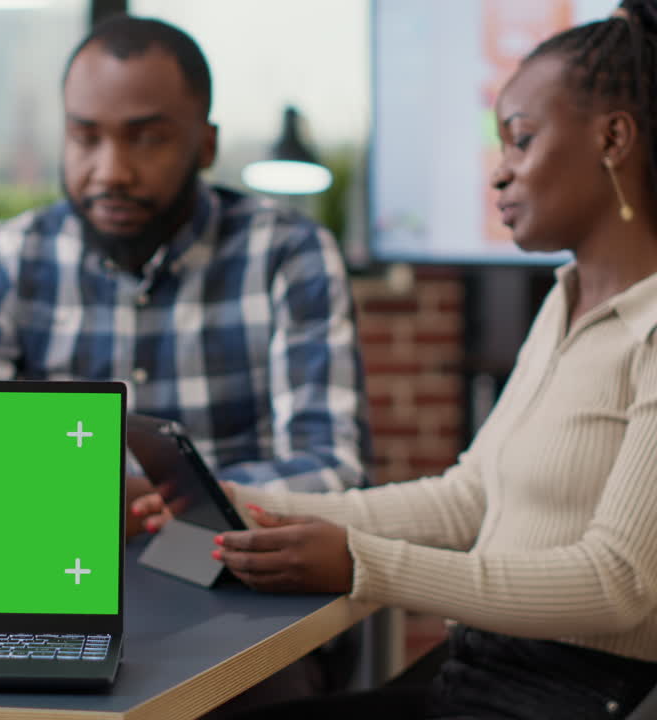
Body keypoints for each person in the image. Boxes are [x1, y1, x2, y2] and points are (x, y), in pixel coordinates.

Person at [138, 7, 657, 718]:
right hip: (480, 671)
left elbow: (619, 583)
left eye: (521, 142)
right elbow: (465, 499)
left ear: (613, 139)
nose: (499, 175)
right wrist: (234, 503)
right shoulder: (564, 303)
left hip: (566, 696)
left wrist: (364, 565)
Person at [0, 13, 370, 703]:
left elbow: (332, 471)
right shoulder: (15, 258)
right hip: (49, 588)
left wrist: (168, 500)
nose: (111, 171)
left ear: (206, 144)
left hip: (239, 596)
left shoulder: (289, 255)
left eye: (148, 138)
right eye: (85, 137)